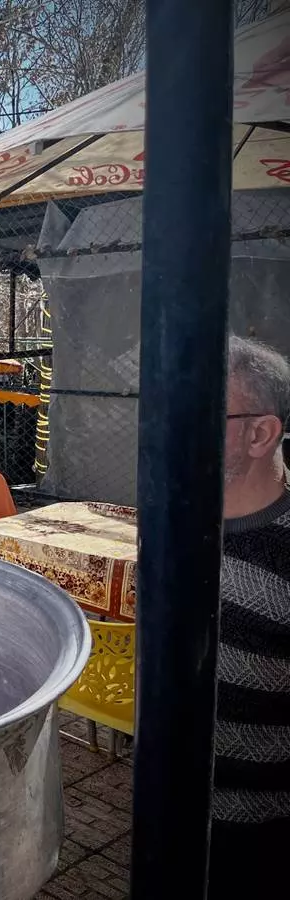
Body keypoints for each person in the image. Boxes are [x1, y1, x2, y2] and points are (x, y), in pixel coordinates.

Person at [210, 335, 290, 896]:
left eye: (200, 415)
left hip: (264, 837)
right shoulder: (173, 521)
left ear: (261, 434)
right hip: (170, 802)